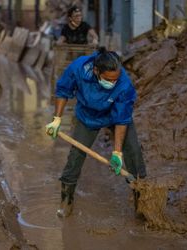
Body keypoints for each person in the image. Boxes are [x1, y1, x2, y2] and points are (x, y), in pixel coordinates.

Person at [45, 47, 147, 218]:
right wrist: (57, 119)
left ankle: (142, 199)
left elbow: (122, 120)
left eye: (115, 79)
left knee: (134, 152)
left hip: (114, 116)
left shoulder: (124, 85)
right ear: (96, 70)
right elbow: (63, 91)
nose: (112, 83)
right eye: (108, 80)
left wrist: (116, 152)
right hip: (88, 116)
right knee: (75, 156)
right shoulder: (78, 68)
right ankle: (66, 201)